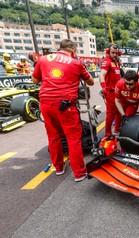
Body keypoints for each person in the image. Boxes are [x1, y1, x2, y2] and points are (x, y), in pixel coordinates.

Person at [31, 39, 94, 182]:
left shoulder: (43, 59)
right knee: (73, 138)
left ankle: (58, 167)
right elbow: (90, 81)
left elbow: (34, 80)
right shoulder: (76, 63)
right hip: (66, 106)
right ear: (73, 51)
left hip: (46, 103)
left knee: (53, 136)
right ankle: (79, 173)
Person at [99, 44, 122, 136]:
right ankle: (108, 133)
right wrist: (104, 87)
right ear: (108, 52)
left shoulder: (116, 61)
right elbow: (102, 75)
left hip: (117, 92)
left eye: (116, 53)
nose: (115, 55)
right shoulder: (107, 61)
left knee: (119, 112)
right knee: (110, 114)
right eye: (113, 53)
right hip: (110, 92)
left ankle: (117, 129)